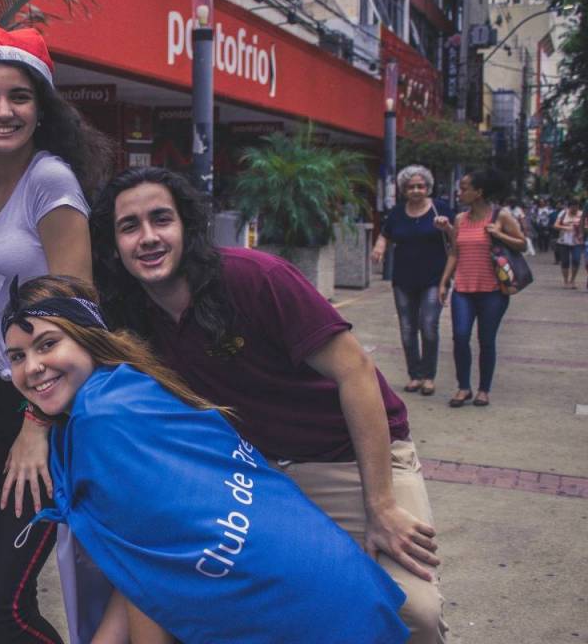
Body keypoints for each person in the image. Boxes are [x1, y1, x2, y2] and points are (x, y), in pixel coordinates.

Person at [89, 166, 446, 644]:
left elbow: (356, 372)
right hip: (253, 476)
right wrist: (31, 422)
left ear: (188, 227)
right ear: (114, 246)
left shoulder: (254, 277)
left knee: (413, 611)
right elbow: (58, 361)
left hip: (348, 457)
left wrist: (380, 505)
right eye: (129, 226)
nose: (148, 237)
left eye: (161, 219)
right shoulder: (125, 316)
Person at [2, 275, 410, 644]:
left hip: (296, 615)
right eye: (16, 356)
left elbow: (152, 582)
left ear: (88, 337)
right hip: (339, 588)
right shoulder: (128, 388)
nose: (33, 367)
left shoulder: (101, 424)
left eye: (48, 344)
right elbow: (141, 570)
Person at [0, 24, 113, 643]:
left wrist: (37, 426)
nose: (2, 110)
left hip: (42, 409)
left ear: (42, 109)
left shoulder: (50, 179)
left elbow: (77, 310)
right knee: (13, 590)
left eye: (19, 96)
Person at [438, 169, 526, 409]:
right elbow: (454, 253)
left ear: (479, 192)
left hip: (493, 291)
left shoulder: (501, 216)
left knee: (486, 340)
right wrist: (444, 282)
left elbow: (522, 244)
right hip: (463, 290)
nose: (460, 192)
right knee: (460, 337)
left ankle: (483, 390)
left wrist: (499, 234)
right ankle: (463, 387)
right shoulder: (460, 219)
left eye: (464, 188)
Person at [371, 165, 454, 397]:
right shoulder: (397, 213)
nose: (416, 190)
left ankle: (428, 376)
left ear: (428, 187)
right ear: (403, 189)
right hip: (403, 279)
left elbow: (457, 239)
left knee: (428, 326)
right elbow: (386, 233)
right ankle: (414, 375)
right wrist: (379, 246)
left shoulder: (440, 208)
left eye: (420, 186)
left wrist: (447, 227)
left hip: (434, 279)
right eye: (411, 187)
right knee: (407, 329)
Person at [553, 198, 584, 289]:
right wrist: (565, 227)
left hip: (577, 241)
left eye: (576, 207)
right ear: (569, 207)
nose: (575, 209)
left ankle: (572, 280)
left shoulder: (582, 214)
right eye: (573, 207)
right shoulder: (563, 213)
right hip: (564, 241)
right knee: (565, 261)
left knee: (576, 260)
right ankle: (566, 281)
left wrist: (581, 230)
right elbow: (555, 225)